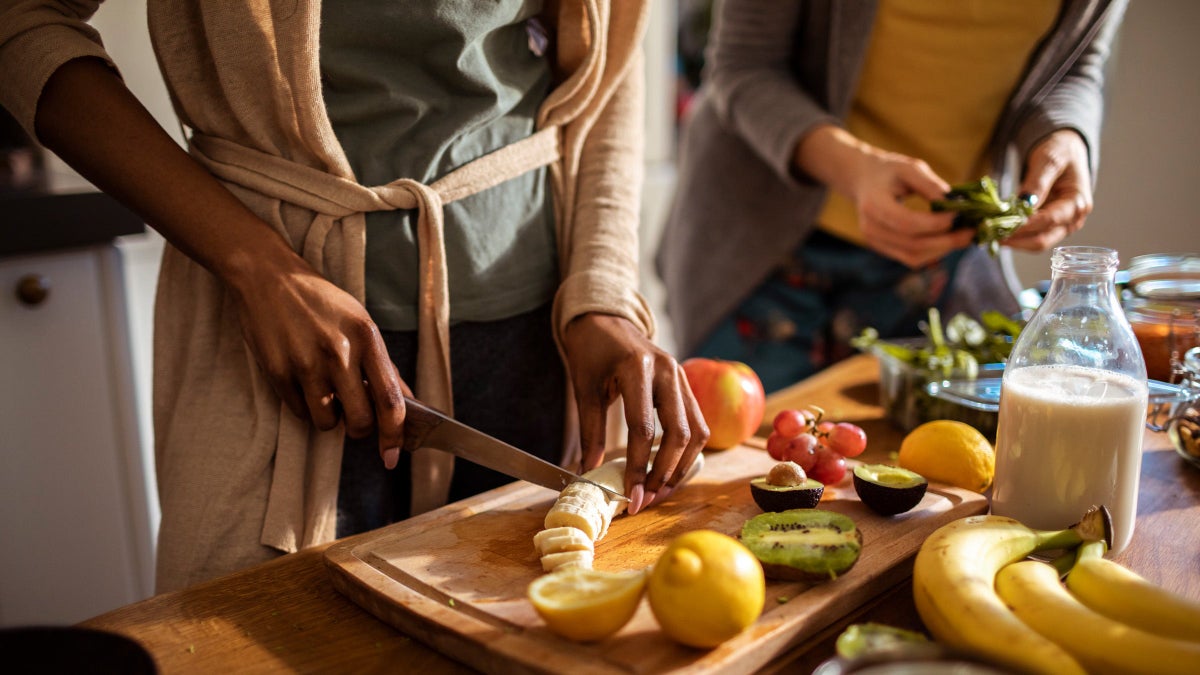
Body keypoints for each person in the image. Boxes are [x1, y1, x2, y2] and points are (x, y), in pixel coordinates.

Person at [0, 0, 707, 592]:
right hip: (277, 356)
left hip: (538, 348)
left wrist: (603, 292)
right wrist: (257, 266)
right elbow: (21, 20)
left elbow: (612, 60)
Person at [656, 0, 1128, 393]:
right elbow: (743, 65)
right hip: (759, 247)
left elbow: (1075, 66)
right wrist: (855, 169)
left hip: (938, 261)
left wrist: (1065, 137)